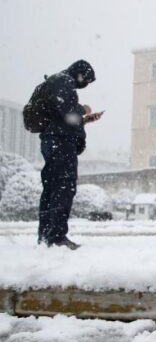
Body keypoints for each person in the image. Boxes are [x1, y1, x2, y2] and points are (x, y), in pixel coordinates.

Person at [37, 59, 104, 250]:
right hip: (60, 143)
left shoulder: (59, 82)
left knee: (51, 189)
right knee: (63, 188)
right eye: (86, 80)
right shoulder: (63, 81)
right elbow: (65, 110)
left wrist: (84, 120)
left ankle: (46, 236)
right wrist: (83, 110)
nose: (85, 84)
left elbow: (63, 118)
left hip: (55, 140)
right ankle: (57, 237)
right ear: (79, 73)